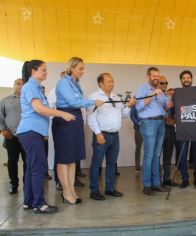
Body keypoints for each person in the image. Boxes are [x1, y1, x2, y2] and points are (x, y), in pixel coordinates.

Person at [17, 60, 75, 214]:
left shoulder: (36, 88)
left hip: (33, 132)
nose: (46, 73)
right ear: (33, 71)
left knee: (31, 167)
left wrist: (43, 133)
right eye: (43, 70)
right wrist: (62, 113)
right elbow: (39, 108)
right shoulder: (30, 86)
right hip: (30, 131)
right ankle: (39, 204)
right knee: (38, 168)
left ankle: (29, 202)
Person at [52, 57, 104, 204]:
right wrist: (94, 102)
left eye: (83, 68)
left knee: (73, 158)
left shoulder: (76, 83)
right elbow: (73, 102)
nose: (82, 71)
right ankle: (66, 192)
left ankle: (72, 190)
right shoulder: (63, 82)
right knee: (64, 159)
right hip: (65, 120)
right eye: (80, 68)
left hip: (74, 119)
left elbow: (79, 101)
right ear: (72, 68)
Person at [87, 73, 135, 200]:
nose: (112, 83)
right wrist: (98, 133)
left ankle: (109, 188)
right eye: (108, 81)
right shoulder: (94, 97)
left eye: (112, 81)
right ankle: (94, 191)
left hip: (115, 136)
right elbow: (91, 117)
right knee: (96, 163)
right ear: (100, 83)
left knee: (112, 163)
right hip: (102, 135)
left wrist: (129, 106)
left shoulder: (115, 97)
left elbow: (123, 115)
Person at [135, 67, 169, 196]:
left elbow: (166, 107)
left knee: (157, 155)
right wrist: (153, 94)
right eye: (154, 75)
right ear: (148, 76)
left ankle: (156, 184)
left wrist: (173, 99)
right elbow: (139, 106)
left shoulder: (161, 91)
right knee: (149, 155)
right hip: (148, 122)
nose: (156, 78)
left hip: (161, 122)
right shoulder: (142, 89)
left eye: (158, 76)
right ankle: (147, 185)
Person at [174, 70, 196, 189]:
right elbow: (175, 110)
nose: (186, 79)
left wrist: (186, 109)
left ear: (192, 79)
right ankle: (185, 179)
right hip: (182, 129)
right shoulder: (176, 93)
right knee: (182, 155)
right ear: (181, 80)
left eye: (188, 77)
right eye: (184, 78)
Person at [0, 78, 26, 194]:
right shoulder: (5, 100)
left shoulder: (30, 99)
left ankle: (27, 184)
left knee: (28, 161)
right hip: (11, 136)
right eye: (18, 84)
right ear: (14, 85)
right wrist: (3, 130)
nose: (20, 86)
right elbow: (0, 117)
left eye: (23, 84)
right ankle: (14, 184)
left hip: (27, 136)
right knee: (12, 161)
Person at [159, 76, 179, 187]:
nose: (165, 84)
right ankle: (157, 180)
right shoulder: (155, 96)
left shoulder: (170, 98)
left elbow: (176, 113)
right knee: (156, 156)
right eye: (162, 83)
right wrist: (165, 119)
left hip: (170, 129)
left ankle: (167, 179)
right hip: (160, 128)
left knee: (168, 155)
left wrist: (174, 119)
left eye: (166, 82)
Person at [130, 106, 142, 172]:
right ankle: (137, 166)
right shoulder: (135, 103)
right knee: (138, 147)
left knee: (149, 148)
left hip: (149, 128)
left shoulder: (149, 100)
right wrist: (138, 123)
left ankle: (148, 165)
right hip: (138, 129)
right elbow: (132, 116)